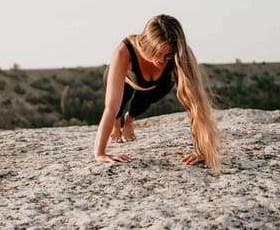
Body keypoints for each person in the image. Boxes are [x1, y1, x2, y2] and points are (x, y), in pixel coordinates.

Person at [94, 14, 221, 172]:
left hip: (155, 86)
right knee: (117, 108)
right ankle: (117, 124)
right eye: (158, 53)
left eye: (168, 55)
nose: (162, 60)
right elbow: (110, 108)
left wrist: (203, 150)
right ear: (146, 44)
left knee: (143, 102)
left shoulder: (180, 53)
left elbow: (196, 103)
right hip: (126, 80)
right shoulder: (124, 51)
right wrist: (100, 153)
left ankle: (129, 120)